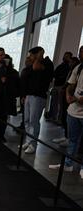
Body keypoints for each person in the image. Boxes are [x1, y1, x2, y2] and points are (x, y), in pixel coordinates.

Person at [49, 46, 83, 179]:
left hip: (78, 107)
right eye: (80, 51)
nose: (80, 54)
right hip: (73, 111)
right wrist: (69, 94)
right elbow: (71, 84)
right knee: (72, 140)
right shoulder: (78, 67)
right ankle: (68, 163)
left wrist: (75, 98)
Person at [22, 46, 54, 154]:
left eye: (31, 55)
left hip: (38, 96)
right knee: (26, 120)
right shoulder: (32, 63)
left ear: (37, 54)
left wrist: (38, 57)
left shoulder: (47, 63)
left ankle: (33, 144)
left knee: (33, 121)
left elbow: (36, 67)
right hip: (29, 95)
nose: (29, 57)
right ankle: (28, 140)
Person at [52, 56, 81, 146]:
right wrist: (68, 93)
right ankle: (66, 137)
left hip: (77, 105)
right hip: (71, 104)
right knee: (64, 115)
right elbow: (70, 84)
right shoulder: (77, 69)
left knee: (76, 139)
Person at [48, 52, 73, 122]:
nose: (65, 57)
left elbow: (67, 78)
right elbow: (54, 74)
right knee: (53, 102)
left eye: (67, 56)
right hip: (56, 86)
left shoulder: (69, 68)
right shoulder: (60, 66)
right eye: (64, 56)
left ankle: (59, 119)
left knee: (60, 104)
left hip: (62, 87)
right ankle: (53, 116)